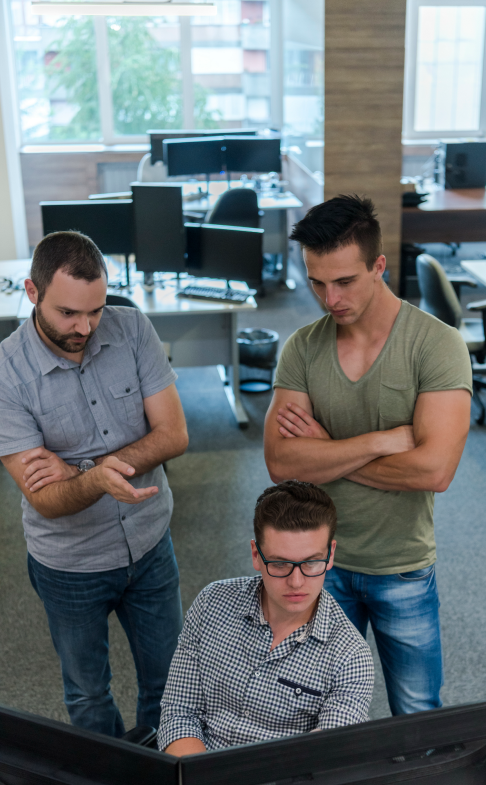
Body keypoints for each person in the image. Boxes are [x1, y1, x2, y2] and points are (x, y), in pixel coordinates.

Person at [263, 195, 473, 716]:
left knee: (417, 712)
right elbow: (282, 464)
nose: (329, 298)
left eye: (344, 281)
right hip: (317, 566)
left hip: (400, 565)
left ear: (379, 266)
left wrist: (324, 448)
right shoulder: (302, 348)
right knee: (311, 714)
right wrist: (380, 440)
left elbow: (435, 470)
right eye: (316, 282)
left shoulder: (436, 345)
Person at [0, 231, 189, 737]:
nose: (85, 327)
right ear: (33, 292)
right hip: (70, 564)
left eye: (96, 310)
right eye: (68, 314)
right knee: (87, 694)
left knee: (170, 684)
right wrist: (99, 478)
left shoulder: (131, 328)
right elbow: (46, 501)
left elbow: (174, 434)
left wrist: (84, 471)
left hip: (150, 544)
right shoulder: (6, 373)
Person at [158, 480, 374, 755]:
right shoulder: (212, 603)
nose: (296, 582)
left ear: (330, 555)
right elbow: (179, 712)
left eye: (310, 562)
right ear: (256, 555)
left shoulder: (351, 656)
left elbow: (320, 758)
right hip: (196, 774)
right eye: (280, 564)